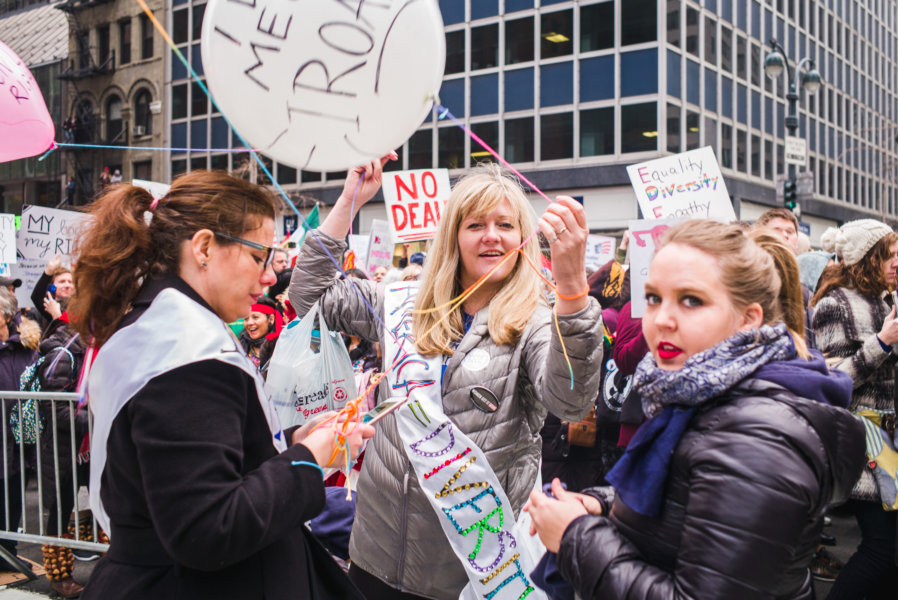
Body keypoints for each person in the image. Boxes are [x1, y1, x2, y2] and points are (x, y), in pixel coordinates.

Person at [290, 159, 603, 599]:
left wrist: (572, 288)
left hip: (466, 572)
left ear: (523, 238)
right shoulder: (404, 303)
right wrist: (349, 201)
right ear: (453, 235)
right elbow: (310, 296)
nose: (491, 236)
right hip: (374, 553)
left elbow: (571, 401)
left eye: (505, 225)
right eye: (475, 224)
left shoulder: (536, 321)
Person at [69, 170, 373, 600]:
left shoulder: (162, 325)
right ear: (205, 247)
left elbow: (195, 462)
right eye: (259, 256)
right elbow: (208, 527)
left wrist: (289, 441)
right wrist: (309, 457)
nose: (270, 277)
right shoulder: (183, 351)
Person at [526, 219, 865, 599]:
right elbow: (681, 502)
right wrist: (602, 505)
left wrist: (575, 538)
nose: (662, 320)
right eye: (653, 298)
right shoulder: (696, 390)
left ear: (748, 318)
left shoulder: (757, 438)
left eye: (692, 300)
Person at [811, 219, 898, 599]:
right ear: (866, 258)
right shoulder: (834, 304)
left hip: (891, 444)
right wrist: (882, 342)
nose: (897, 263)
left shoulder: (887, 300)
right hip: (866, 443)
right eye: (889, 256)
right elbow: (835, 382)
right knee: (882, 547)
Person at [0, 289, 39, 572]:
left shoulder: (26, 347)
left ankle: (8, 550)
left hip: (16, 441)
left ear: (6, 316)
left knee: (13, 494)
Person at [238, 295, 283, 371]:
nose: (250, 322)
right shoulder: (240, 346)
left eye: (255, 317)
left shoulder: (281, 347)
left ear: (271, 319)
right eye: (246, 318)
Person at [31, 257, 75, 327]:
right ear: (52, 286)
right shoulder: (50, 306)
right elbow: (37, 297)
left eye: (70, 282)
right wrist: (49, 271)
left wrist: (57, 315)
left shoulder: (81, 307)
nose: (67, 285)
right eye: (62, 282)